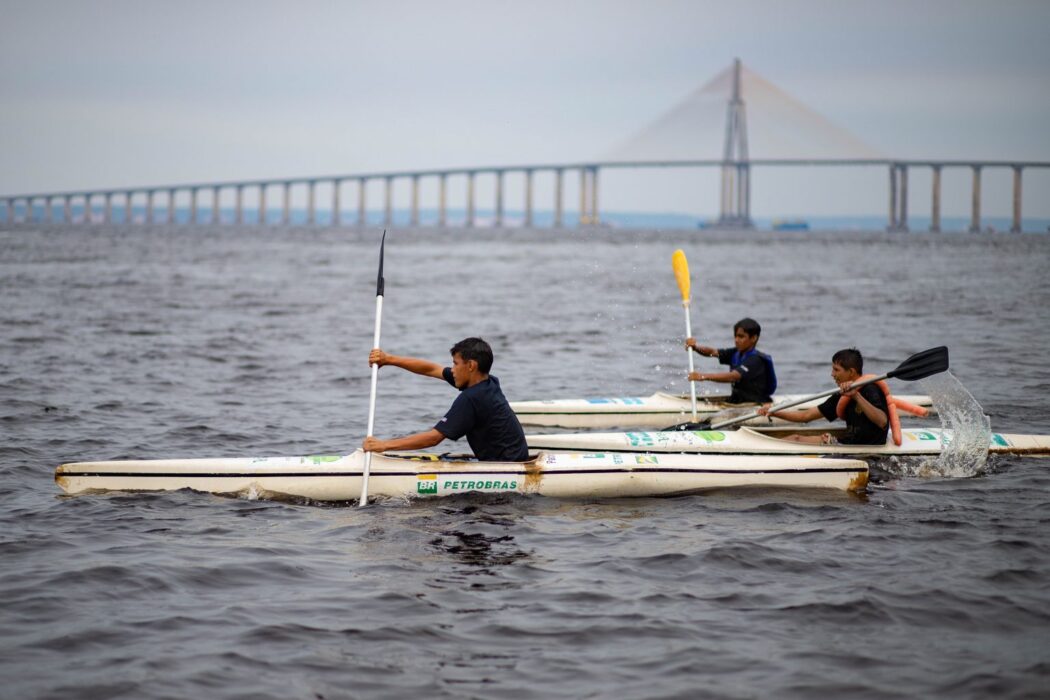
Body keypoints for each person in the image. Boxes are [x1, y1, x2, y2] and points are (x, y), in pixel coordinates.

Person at [361, 337, 530, 462]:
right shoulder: (489, 382)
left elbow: (433, 438)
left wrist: (383, 445)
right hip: (515, 459)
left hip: (507, 469)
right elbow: (431, 369)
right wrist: (388, 359)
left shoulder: (471, 398)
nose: (453, 369)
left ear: (471, 366)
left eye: (456, 364)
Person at [757, 347, 889, 445]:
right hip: (849, 443)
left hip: (867, 448)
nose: (832, 374)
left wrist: (856, 396)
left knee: (795, 439)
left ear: (851, 372)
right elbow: (806, 416)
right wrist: (774, 412)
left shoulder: (871, 389)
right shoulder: (842, 395)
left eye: (836, 370)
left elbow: (882, 421)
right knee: (795, 437)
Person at [685, 317, 776, 404]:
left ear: (753, 338)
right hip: (738, 400)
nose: (736, 340)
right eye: (735, 336)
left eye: (741, 337)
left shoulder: (755, 360)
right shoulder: (736, 353)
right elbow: (712, 352)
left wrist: (702, 376)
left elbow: (733, 376)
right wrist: (695, 348)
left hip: (754, 404)